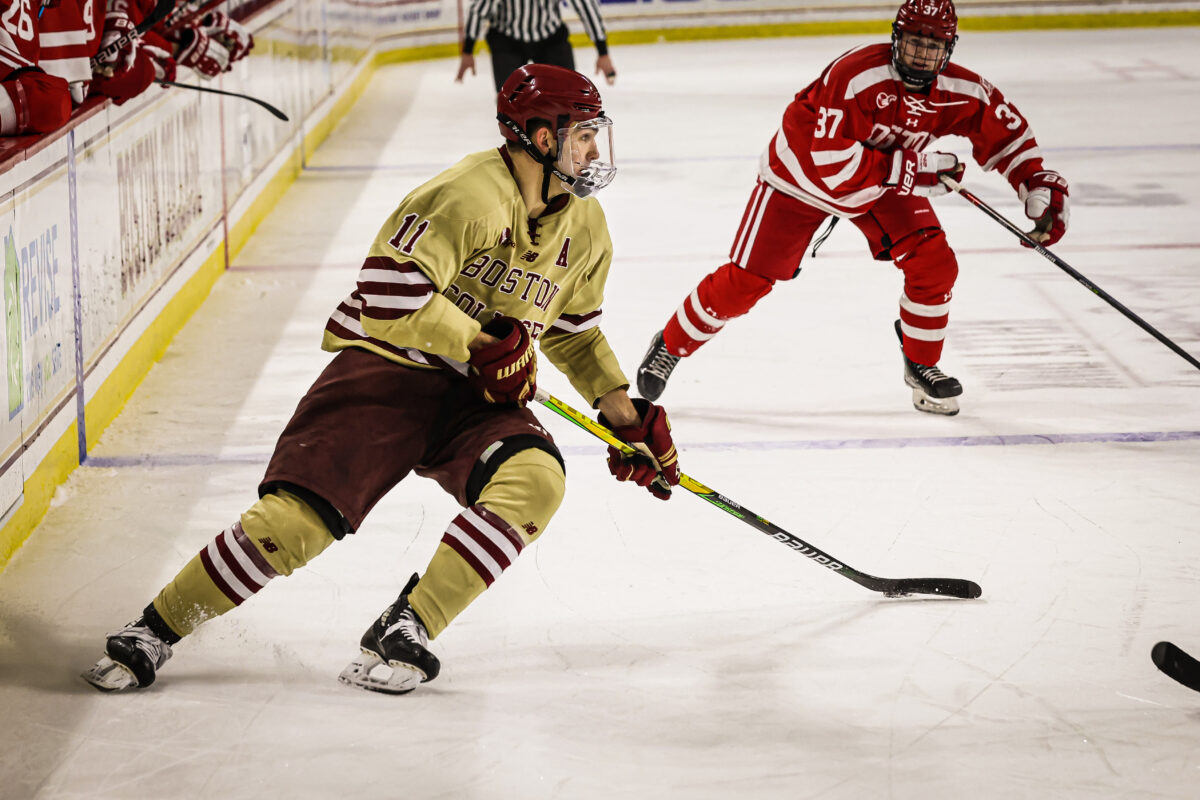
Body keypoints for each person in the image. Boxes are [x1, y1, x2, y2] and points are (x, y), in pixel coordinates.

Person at [82, 64, 681, 696]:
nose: (593, 150)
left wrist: (623, 415)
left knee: (534, 480)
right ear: (538, 137)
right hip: (386, 370)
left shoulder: (586, 227)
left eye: (594, 134)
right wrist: (482, 343)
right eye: (582, 134)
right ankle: (156, 628)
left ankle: (410, 622)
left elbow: (572, 330)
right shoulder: (465, 194)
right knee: (294, 526)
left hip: (475, 397)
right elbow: (386, 293)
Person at [635, 0, 1070, 416]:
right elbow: (832, 165)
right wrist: (915, 172)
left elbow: (1003, 129)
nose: (921, 55)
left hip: (882, 182)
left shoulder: (959, 89)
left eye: (933, 46)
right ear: (896, 37)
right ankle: (671, 346)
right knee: (747, 282)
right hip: (801, 177)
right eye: (914, 42)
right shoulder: (856, 75)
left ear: (949, 50)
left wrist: (1036, 180)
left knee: (934, 264)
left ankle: (921, 365)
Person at [455, 0, 615, 92]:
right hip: (507, 37)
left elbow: (585, 6)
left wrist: (603, 53)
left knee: (567, 95)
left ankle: (563, 143)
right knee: (509, 102)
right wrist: (467, 51)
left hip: (549, 36)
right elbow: (480, 10)